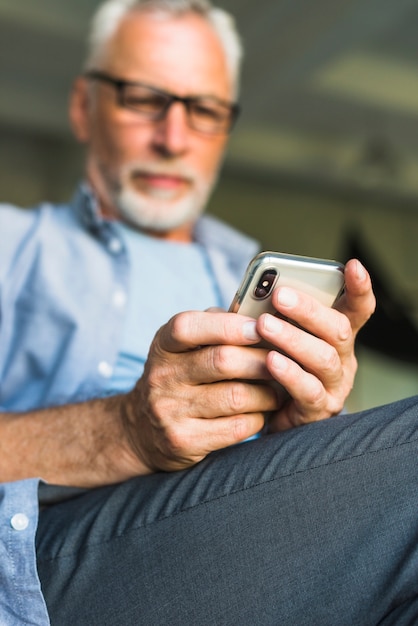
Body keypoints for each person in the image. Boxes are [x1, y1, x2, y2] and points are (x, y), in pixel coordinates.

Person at [0, 0, 416, 624]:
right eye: (143, 98)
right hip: (53, 565)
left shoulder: (261, 278)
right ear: (84, 107)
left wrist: (309, 429)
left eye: (203, 110)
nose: (173, 138)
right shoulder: (13, 247)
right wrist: (124, 429)